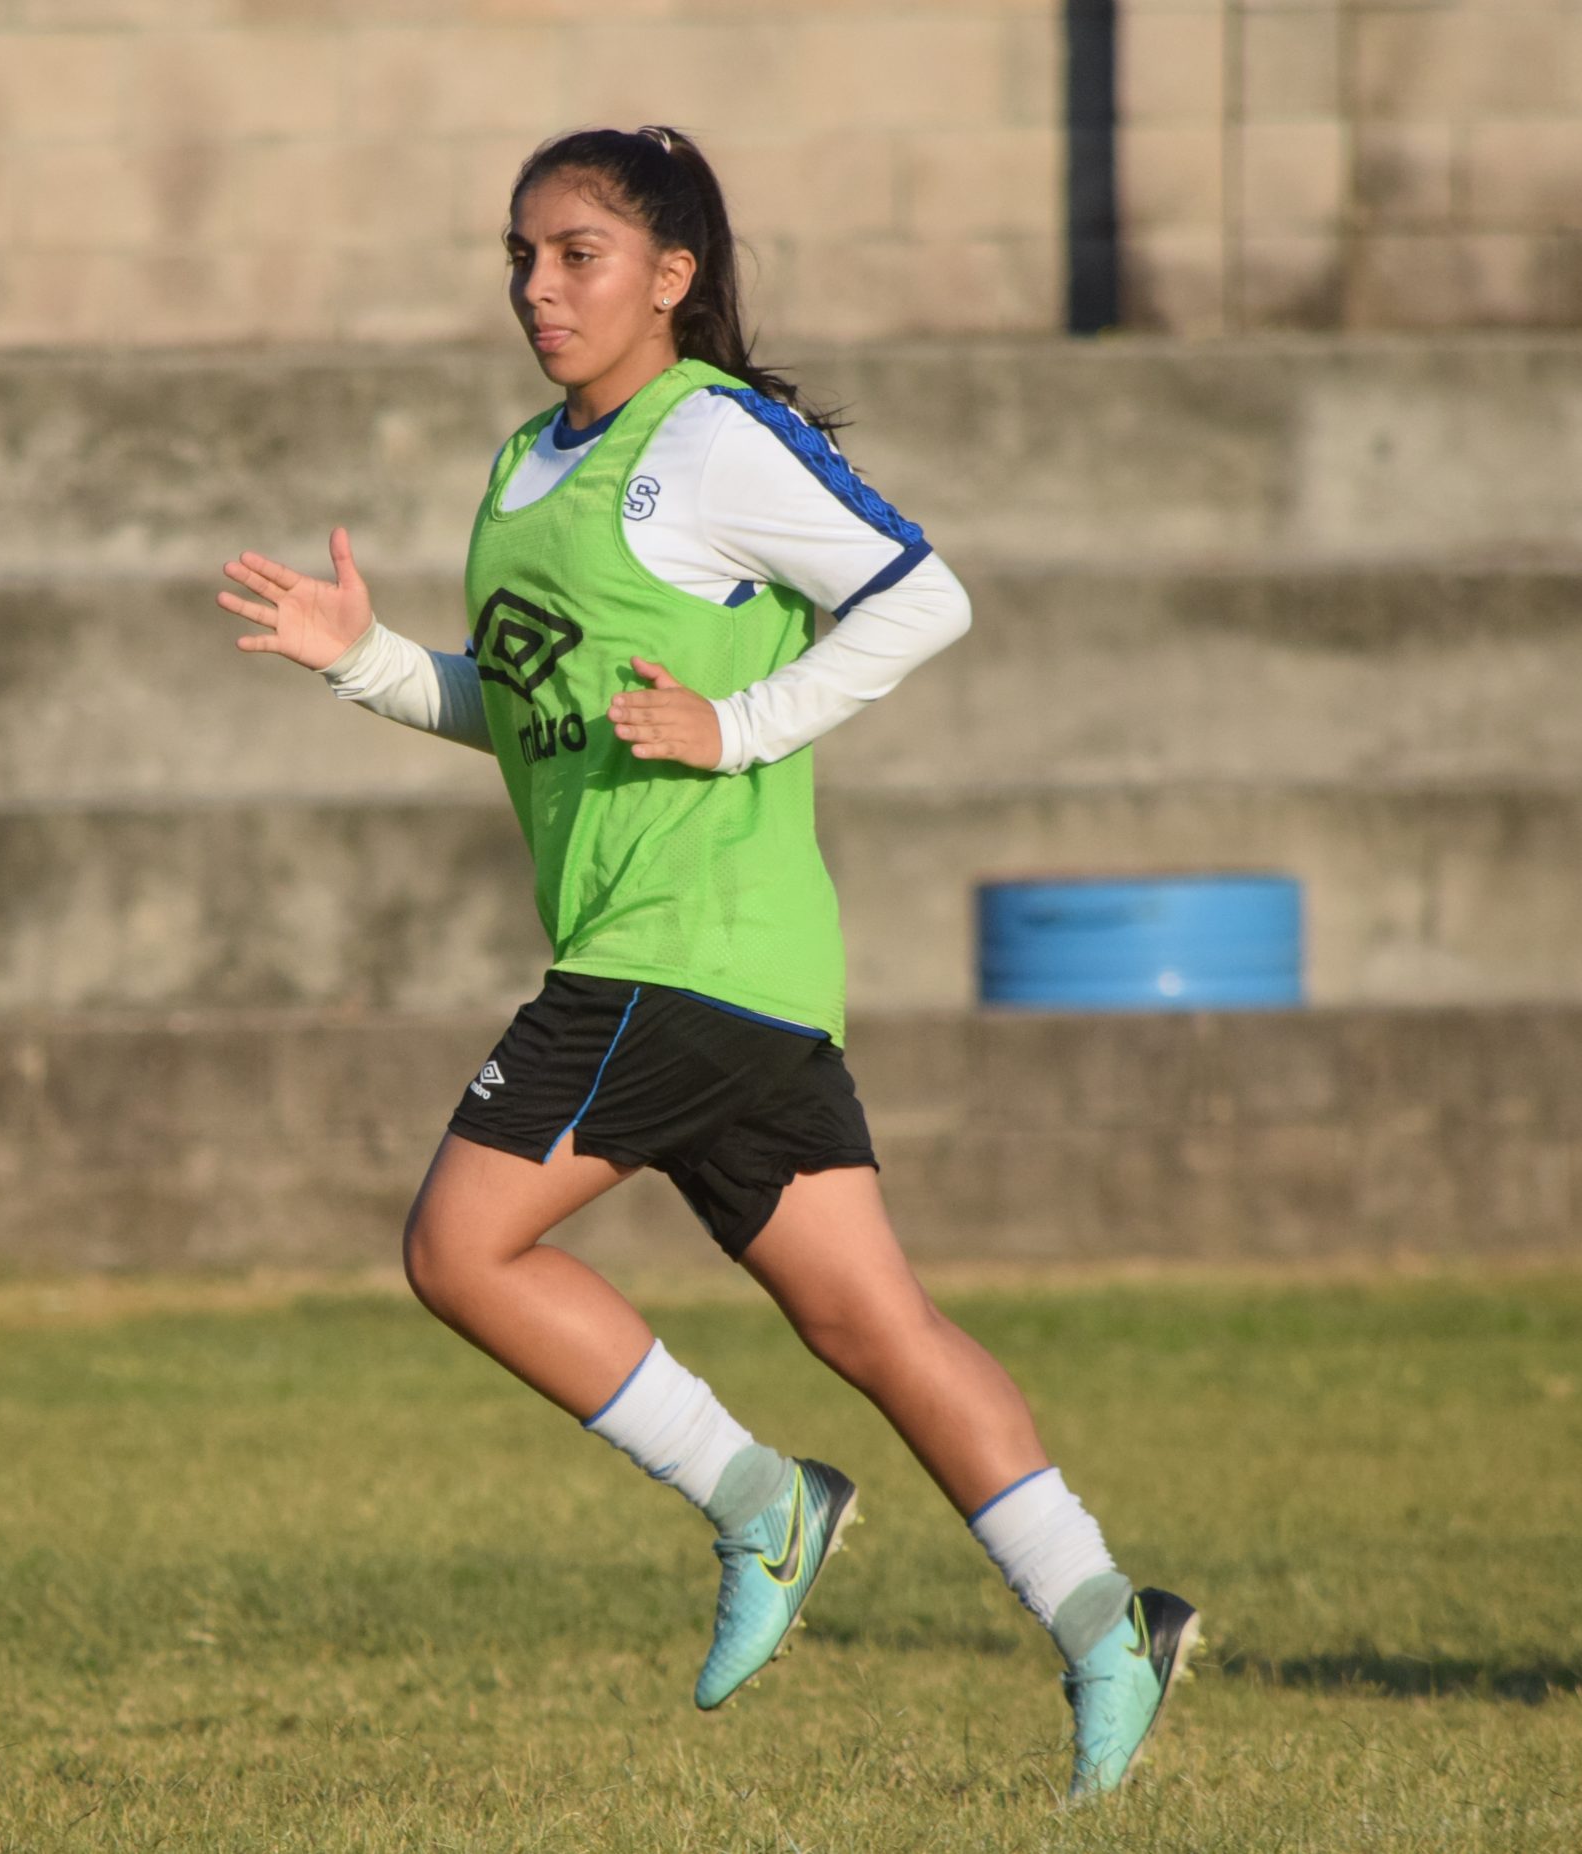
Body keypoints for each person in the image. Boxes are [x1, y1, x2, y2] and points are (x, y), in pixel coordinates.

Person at [218, 124, 1196, 1800]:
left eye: (577, 254)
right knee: (874, 1321)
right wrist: (368, 661)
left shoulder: (713, 434)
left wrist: (738, 724)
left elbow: (923, 597)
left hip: (674, 956)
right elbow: (534, 712)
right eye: (520, 256)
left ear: (672, 276)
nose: (538, 287)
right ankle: (1107, 1620)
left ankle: (764, 1502)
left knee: (460, 1246)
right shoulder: (527, 463)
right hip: (734, 976)